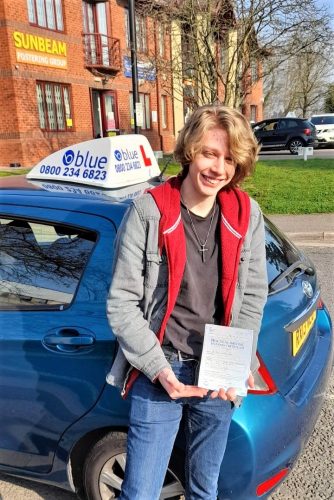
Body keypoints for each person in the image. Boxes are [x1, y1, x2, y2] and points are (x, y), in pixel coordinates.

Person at [106, 104, 268, 500]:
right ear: (189, 151)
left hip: (218, 370)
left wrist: (239, 363)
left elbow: (252, 297)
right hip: (162, 367)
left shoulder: (247, 214)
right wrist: (160, 371)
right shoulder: (149, 211)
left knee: (203, 490)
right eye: (210, 153)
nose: (218, 168)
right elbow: (122, 303)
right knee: (140, 492)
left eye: (229, 158)